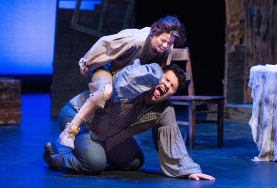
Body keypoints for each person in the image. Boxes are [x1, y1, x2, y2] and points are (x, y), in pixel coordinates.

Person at [44, 62, 215, 181]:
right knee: (94, 163)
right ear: (156, 76)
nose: (167, 86)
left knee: (134, 161)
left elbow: (173, 142)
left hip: (107, 135)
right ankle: (57, 156)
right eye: (166, 79)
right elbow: (117, 77)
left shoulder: (165, 110)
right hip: (81, 118)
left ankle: (91, 150)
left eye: (172, 87)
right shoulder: (135, 85)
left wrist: (189, 171)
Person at [58, 15, 186, 150]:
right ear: (155, 33)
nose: (166, 45)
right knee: (106, 91)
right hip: (107, 69)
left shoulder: (166, 49)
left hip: (126, 78)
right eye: (163, 40)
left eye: (170, 43)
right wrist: (86, 60)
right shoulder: (136, 40)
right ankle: (71, 130)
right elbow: (105, 43)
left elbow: (160, 70)